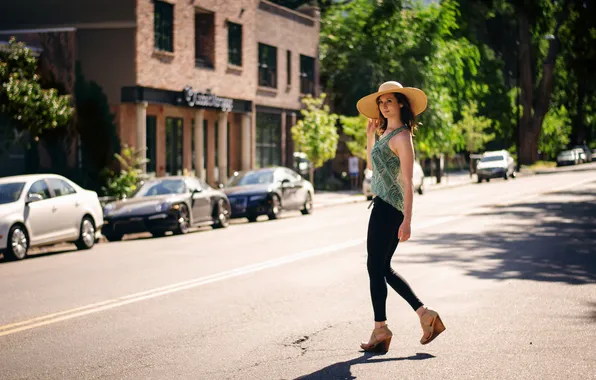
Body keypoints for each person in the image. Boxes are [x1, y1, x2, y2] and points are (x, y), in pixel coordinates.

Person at [355, 81, 445, 353]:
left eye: (389, 101)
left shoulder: (402, 137)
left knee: (375, 267)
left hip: (389, 209)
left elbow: (408, 182)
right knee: (381, 268)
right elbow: (372, 167)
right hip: (382, 206)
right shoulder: (386, 134)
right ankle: (424, 315)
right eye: (381, 102)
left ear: (401, 104)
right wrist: (370, 135)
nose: (383, 105)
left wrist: (407, 220)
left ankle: (381, 328)